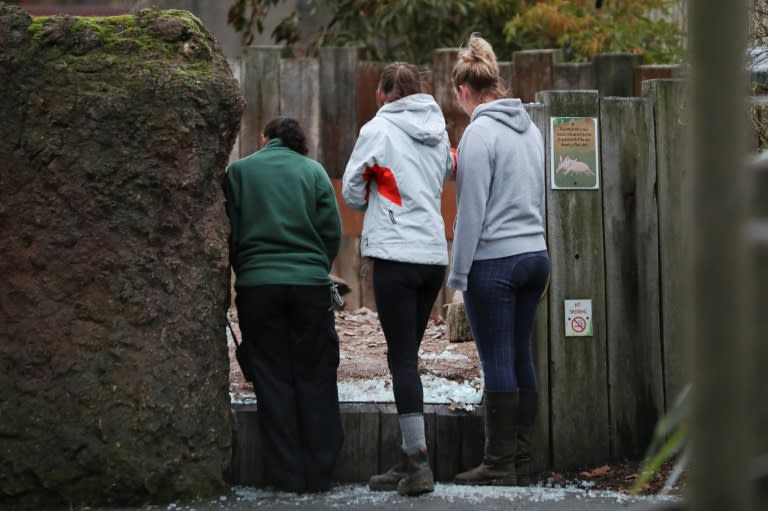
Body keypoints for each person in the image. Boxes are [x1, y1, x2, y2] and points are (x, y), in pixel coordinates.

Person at [342, 62, 455, 497]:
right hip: (431, 257)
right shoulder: (438, 129)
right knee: (408, 355)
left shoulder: (378, 129)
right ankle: (409, 456)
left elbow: (352, 192)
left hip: (395, 254)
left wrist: (377, 187)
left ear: (384, 94)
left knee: (402, 359)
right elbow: (443, 172)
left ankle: (419, 464)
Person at [447, 34, 550, 487]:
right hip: (535, 256)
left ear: (464, 91)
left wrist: (458, 274)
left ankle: (498, 464)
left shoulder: (478, 134)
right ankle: (522, 460)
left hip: (496, 262)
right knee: (521, 354)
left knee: (497, 359)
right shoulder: (530, 129)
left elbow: (470, 214)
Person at [224, 116, 344, 493]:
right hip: (308, 286)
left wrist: (245, 268)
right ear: (299, 143)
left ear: (265, 139)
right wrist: (314, 267)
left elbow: (228, 229)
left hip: (258, 287)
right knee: (315, 374)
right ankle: (320, 473)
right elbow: (331, 231)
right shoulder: (314, 172)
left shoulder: (239, 172)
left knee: (272, 378)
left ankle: (287, 475)